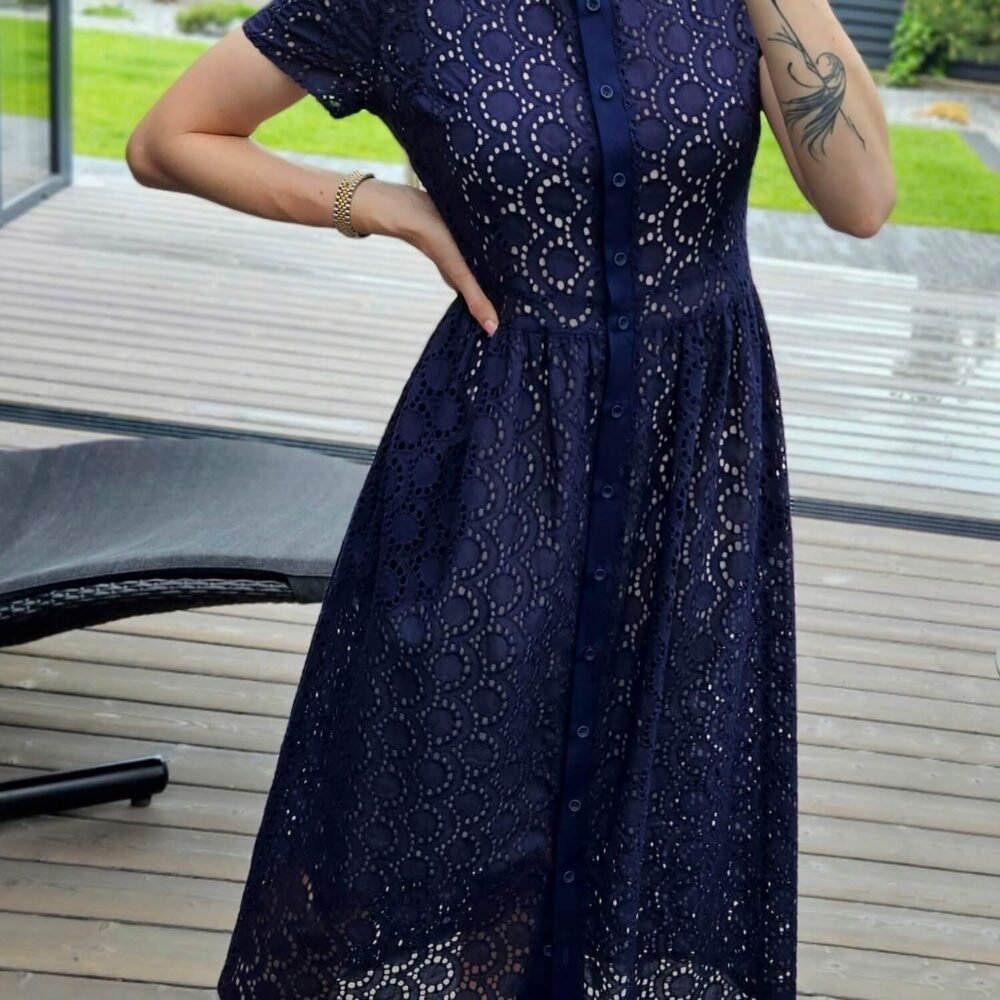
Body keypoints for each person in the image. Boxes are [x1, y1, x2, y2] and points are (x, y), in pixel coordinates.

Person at [126, 0, 895, 996]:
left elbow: (861, 201)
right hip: (497, 456)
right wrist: (376, 204)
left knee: (658, 789)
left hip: (694, 468)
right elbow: (170, 138)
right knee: (471, 793)